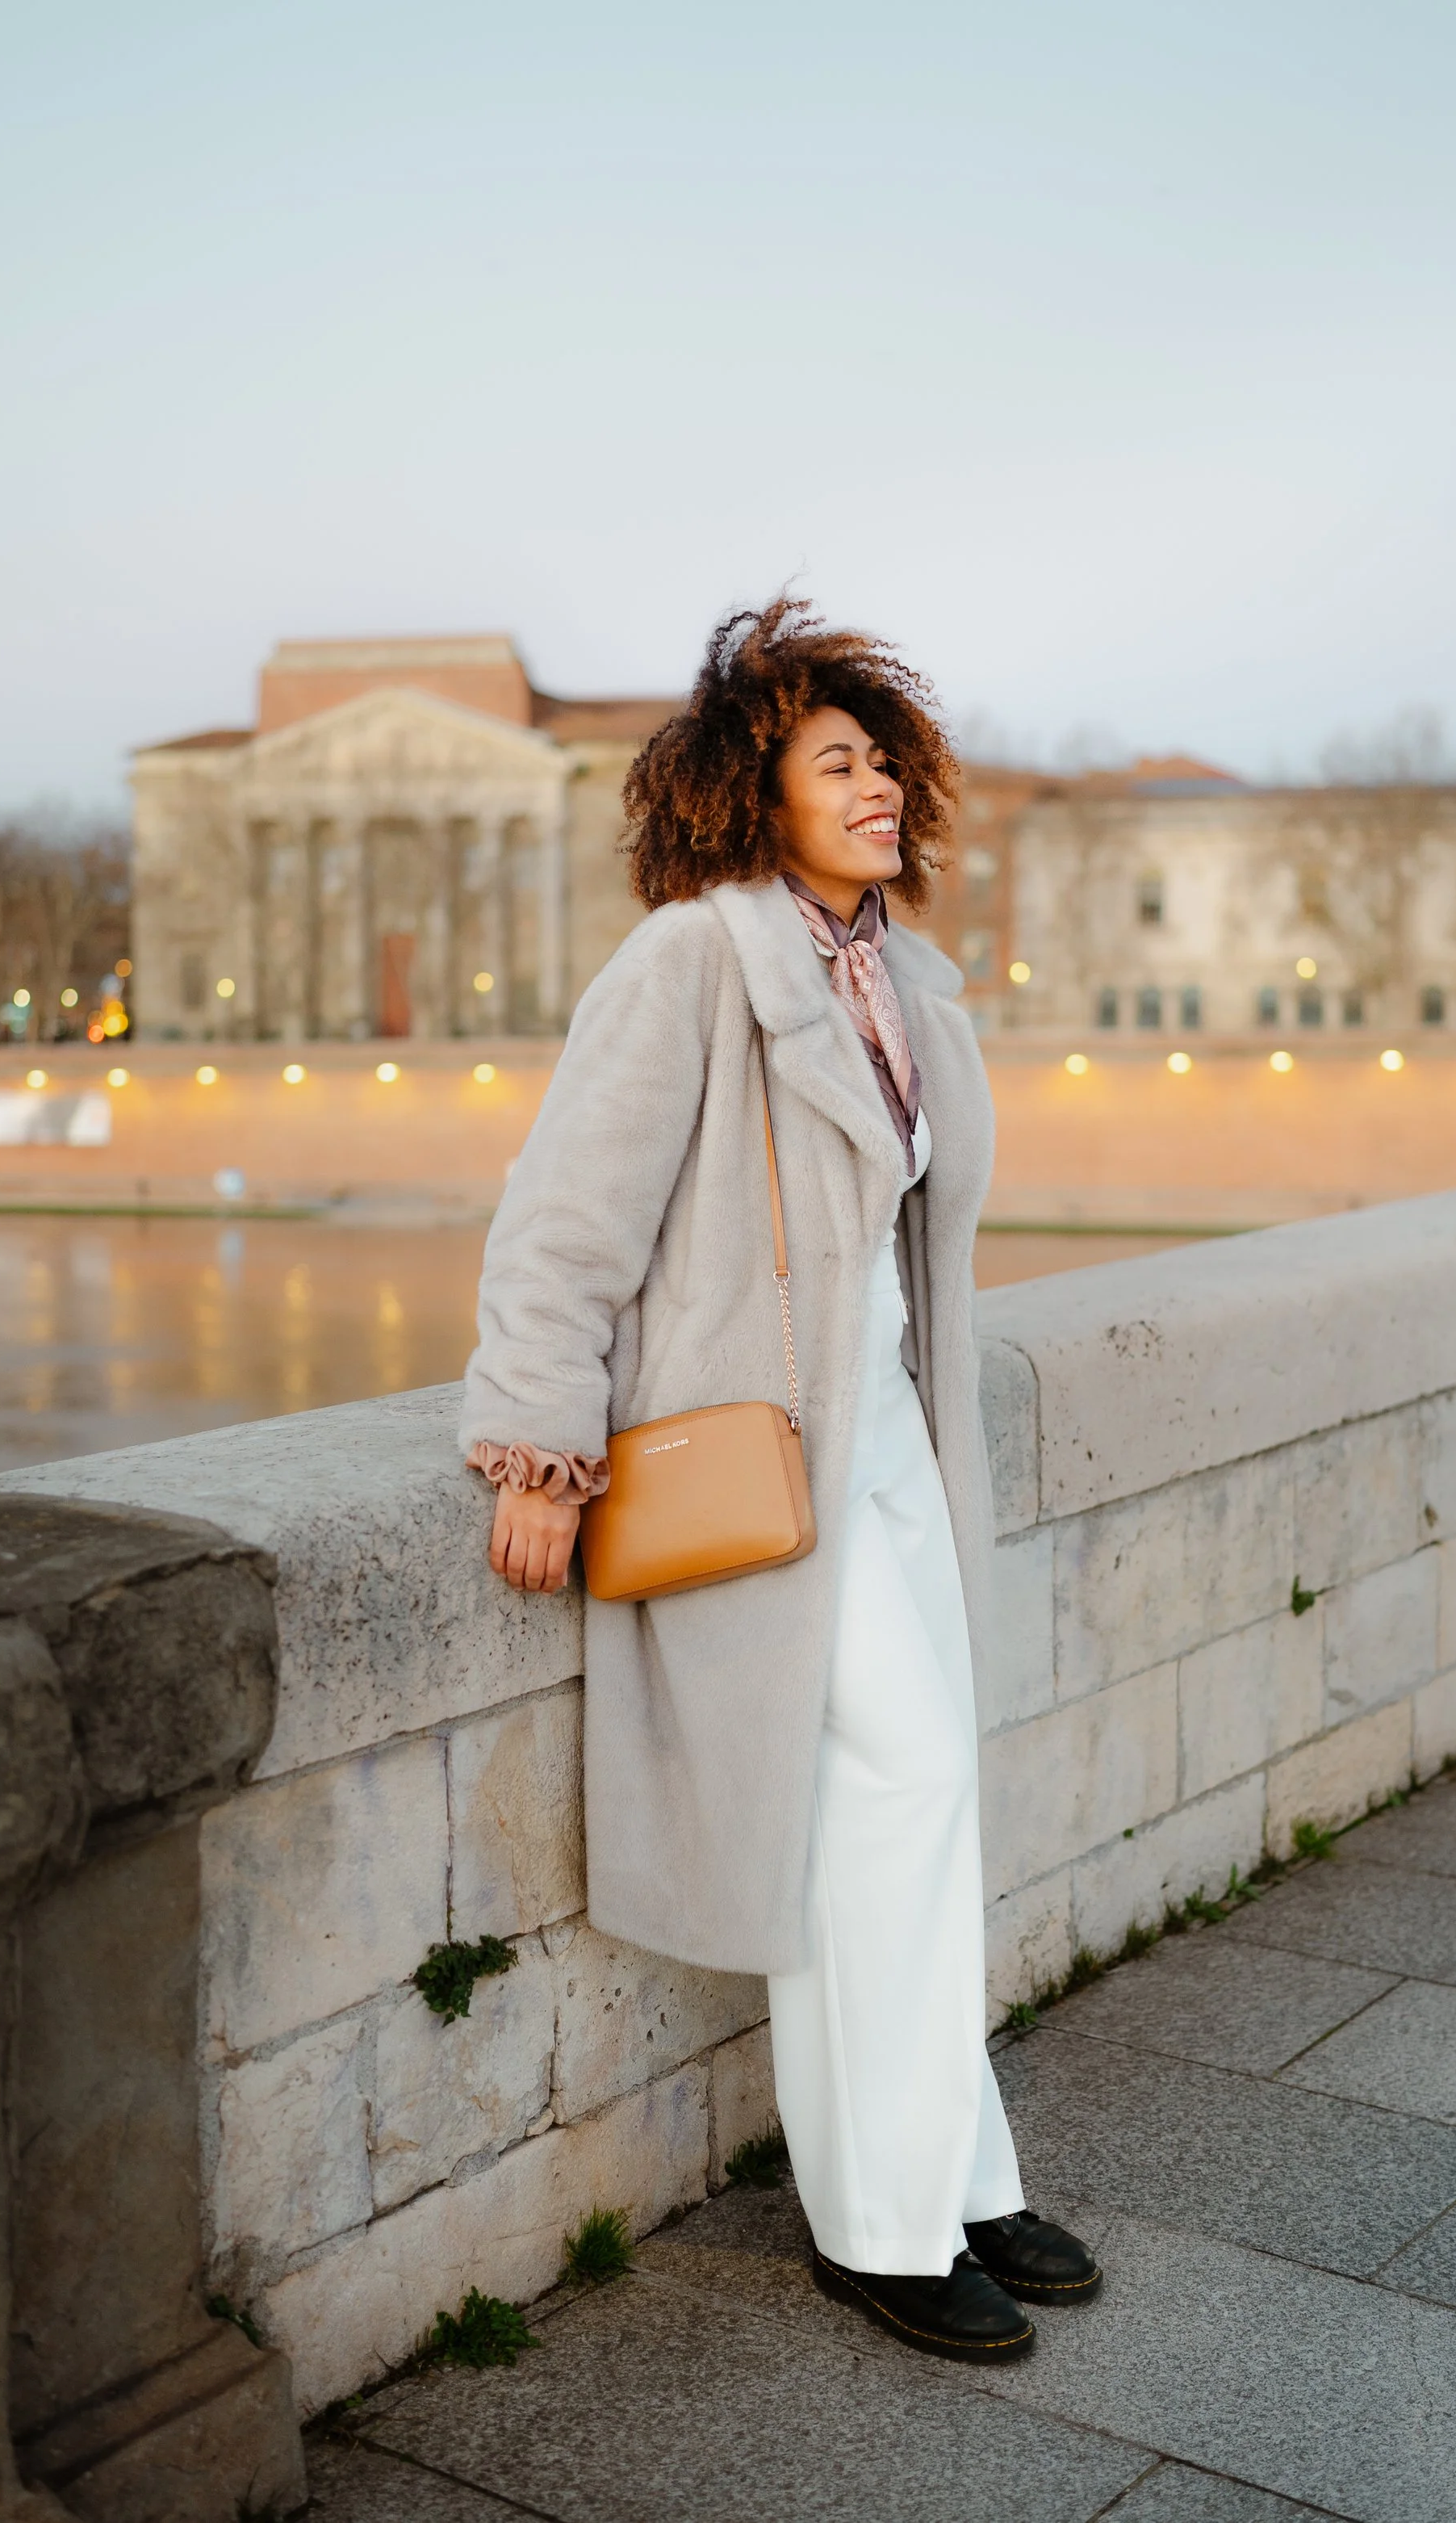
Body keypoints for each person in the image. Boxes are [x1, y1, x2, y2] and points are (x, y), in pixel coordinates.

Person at [460, 596, 1100, 2362]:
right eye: (838, 758)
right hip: (758, 1453)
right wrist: (536, 1441)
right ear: (755, 789)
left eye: (884, 753)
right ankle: (884, 2222)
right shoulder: (691, 960)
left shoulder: (901, 974)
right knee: (888, 1789)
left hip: (888, 1435)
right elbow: (565, 1216)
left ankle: (950, 2173)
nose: (880, 781)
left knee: (909, 1806)